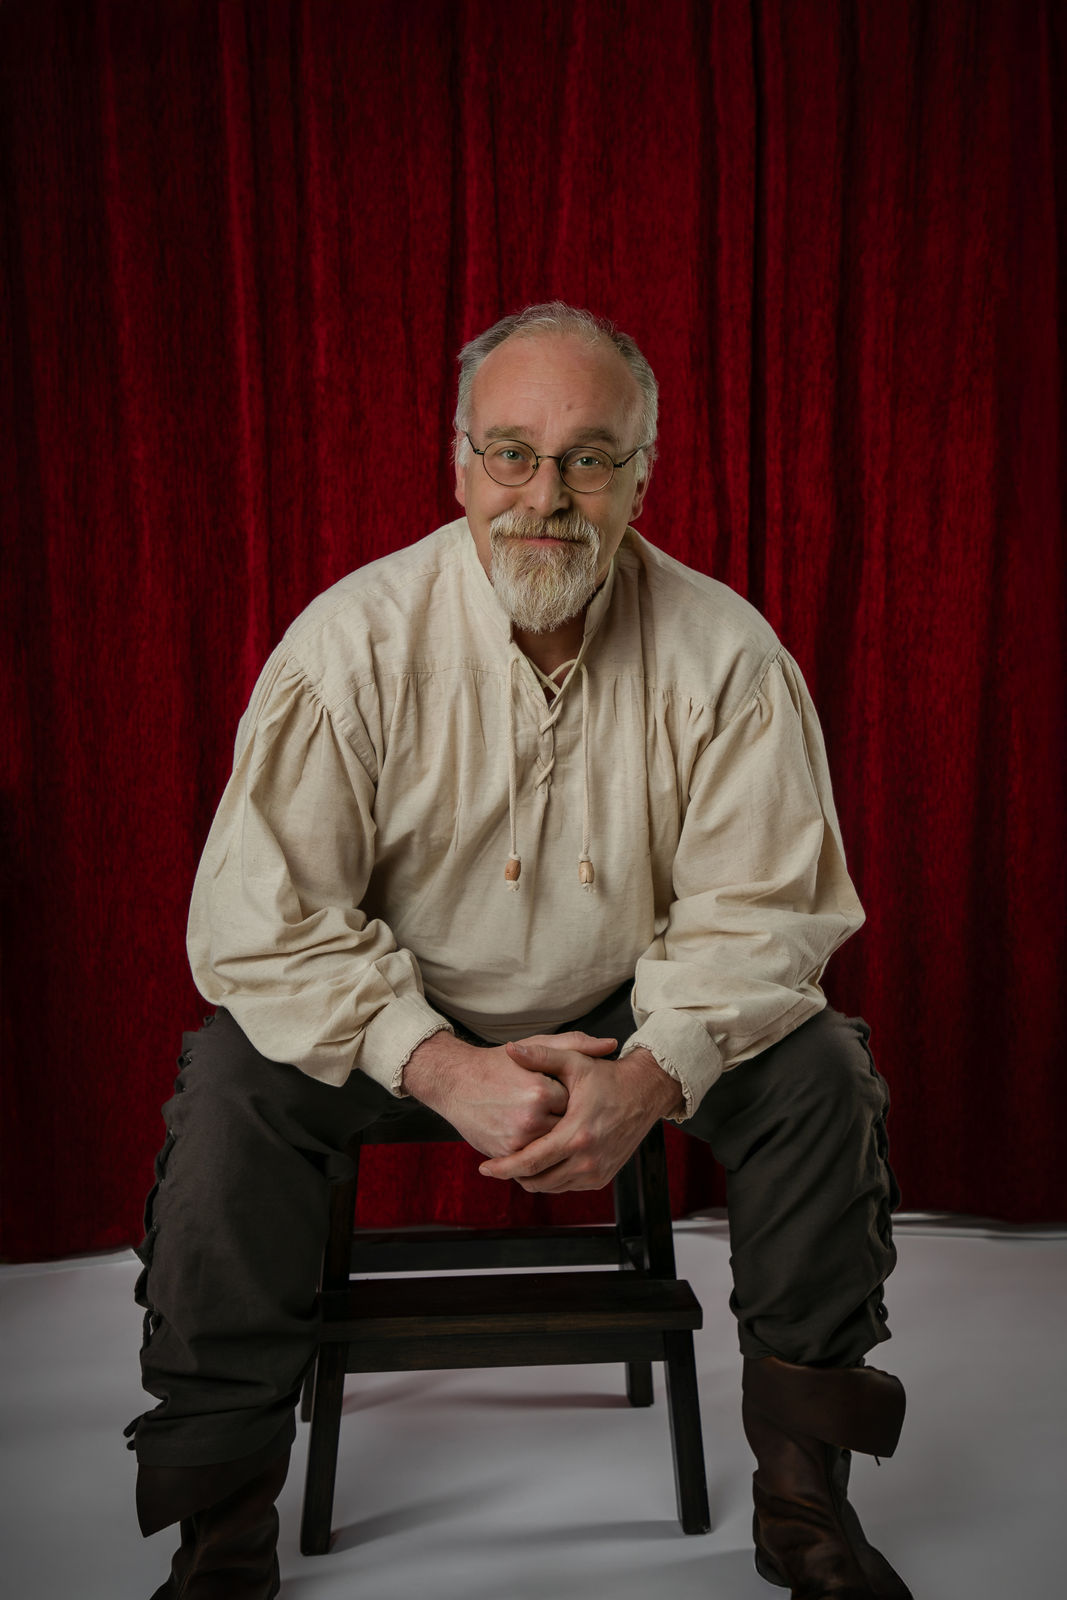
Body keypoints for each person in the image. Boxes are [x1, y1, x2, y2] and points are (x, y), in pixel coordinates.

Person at [129, 302, 911, 1600]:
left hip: (633, 1008)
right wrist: (436, 1064)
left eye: (589, 458)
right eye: (512, 453)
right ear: (460, 463)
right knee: (227, 1092)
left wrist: (652, 1072)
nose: (545, 497)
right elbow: (263, 924)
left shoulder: (728, 653)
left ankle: (805, 1508)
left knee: (823, 1075)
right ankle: (221, 1542)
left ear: (641, 476)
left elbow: (764, 913)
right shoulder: (350, 644)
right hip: (398, 1015)